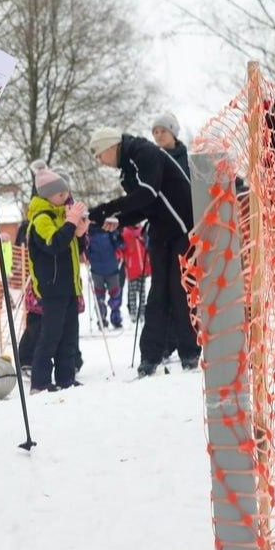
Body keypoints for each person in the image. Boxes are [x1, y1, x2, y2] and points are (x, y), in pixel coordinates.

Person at [88, 126, 200, 376]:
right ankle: (151, 356)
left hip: (183, 229)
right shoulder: (127, 170)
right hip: (160, 232)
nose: (99, 162)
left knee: (180, 291)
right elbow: (144, 207)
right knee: (158, 294)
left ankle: (190, 352)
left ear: (110, 146)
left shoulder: (144, 153)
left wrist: (108, 208)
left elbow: (148, 192)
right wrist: (120, 219)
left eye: (99, 155)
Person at [25, 162, 87, 391]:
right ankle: (40, 382)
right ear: (49, 195)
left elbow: (73, 249)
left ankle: (65, 377)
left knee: (69, 335)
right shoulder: (41, 219)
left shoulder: (61, 216)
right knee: (50, 336)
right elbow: (54, 243)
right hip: (51, 288)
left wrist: (79, 234)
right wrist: (70, 224)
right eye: (62, 193)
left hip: (69, 286)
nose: (66, 196)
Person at [86, 217, 124, 329]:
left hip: (106, 269)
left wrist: (117, 237)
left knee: (110, 296)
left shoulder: (106, 231)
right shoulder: (91, 233)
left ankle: (110, 319)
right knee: (106, 296)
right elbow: (86, 250)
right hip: (103, 269)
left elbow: (118, 244)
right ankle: (105, 319)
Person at [122, 224, 149, 324]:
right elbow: (122, 249)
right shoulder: (126, 232)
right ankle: (133, 313)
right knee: (132, 293)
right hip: (131, 268)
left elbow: (146, 250)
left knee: (142, 293)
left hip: (141, 267)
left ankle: (141, 313)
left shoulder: (142, 231)